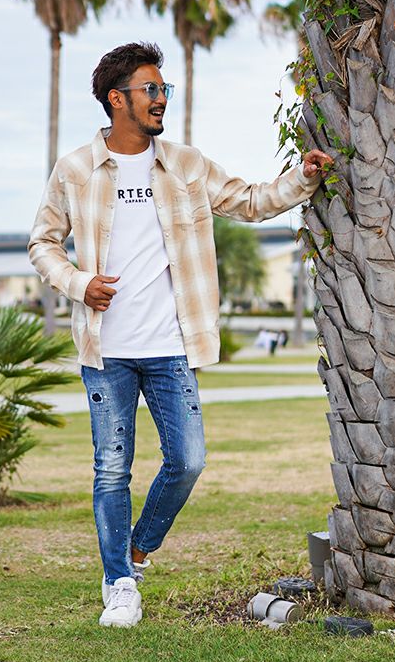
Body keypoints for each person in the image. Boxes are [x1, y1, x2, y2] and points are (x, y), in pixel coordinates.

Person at [28, 42, 334, 628]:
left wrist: (303, 177)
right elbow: (43, 243)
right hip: (106, 350)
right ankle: (120, 584)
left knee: (188, 460)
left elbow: (250, 201)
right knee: (111, 469)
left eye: (164, 89)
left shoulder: (187, 164)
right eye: (150, 89)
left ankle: (135, 552)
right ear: (117, 99)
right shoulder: (75, 169)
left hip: (170, 346)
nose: (161, 98)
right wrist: (78, 282)